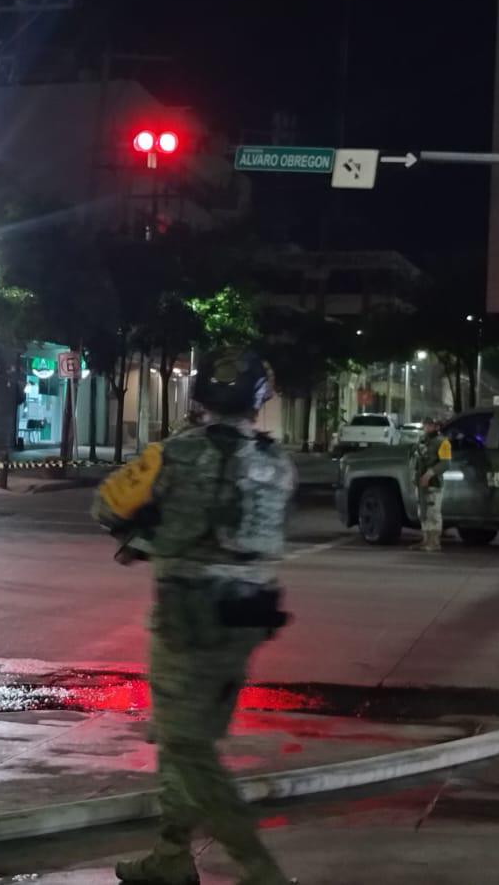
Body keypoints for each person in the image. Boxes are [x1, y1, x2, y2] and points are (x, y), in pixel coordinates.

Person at [92, 347, 295, 885]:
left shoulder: (173, 454)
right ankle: (171, 854)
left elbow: (107, 505)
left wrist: (149, 534)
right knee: (185, 736)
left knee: (187, 745)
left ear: (200, 396)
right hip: (248, 619)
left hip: (187, 619)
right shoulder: (278, 462)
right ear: (258, 402)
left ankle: (259, 868)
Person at [411, 416, 451, 552]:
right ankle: (425, 540)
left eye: (430, 425)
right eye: (425, 425)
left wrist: (430, 473)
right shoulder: (422, 441)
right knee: (422, 512)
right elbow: (416, 459)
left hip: (433, 483)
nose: (427, 428)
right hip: (420, 483)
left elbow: (445, 463)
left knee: (433, 512)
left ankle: (434, 542)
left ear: (436, 427)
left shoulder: (443, 442)